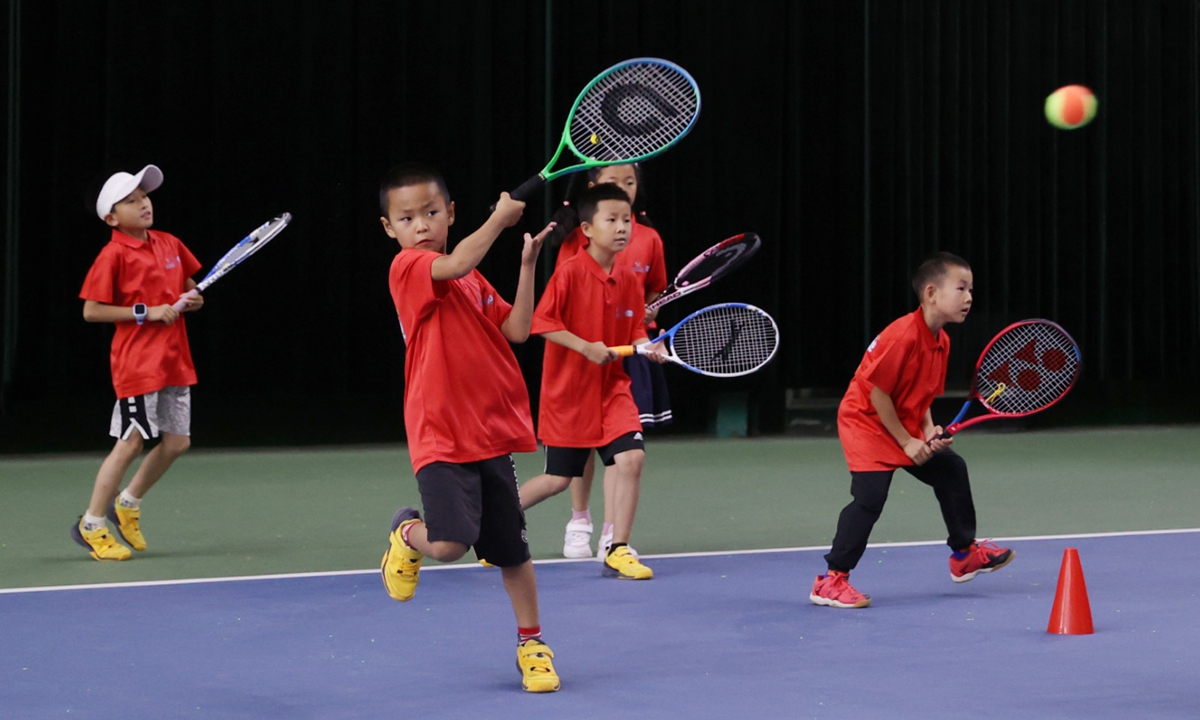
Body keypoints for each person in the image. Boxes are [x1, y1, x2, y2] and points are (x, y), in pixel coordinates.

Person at [377, 162, 560, 692]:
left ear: (451, 213)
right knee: (452, 545)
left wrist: (526, 265)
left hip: (490, 433)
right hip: (439, 433)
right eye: (407, 218)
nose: (421, 225)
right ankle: (406, 533)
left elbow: (518, 329)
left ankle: (533, 644)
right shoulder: (409, 269)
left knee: (513, 552)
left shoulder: (472, 278)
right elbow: (455, 262)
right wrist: (501, 222)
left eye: (431, 213)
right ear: (391, 229)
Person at [810, 252, 1014, 609]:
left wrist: (927, 430)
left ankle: (964, 555)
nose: (969, 297)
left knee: (951, 468)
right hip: (866, 420)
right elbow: (878, 394)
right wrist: (907, 442)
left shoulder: (941, 341)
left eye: (971, 289)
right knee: (870, 498)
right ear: (932, 293)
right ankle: (831, 581)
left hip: (900, 420)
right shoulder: (902, 336)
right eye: (961, 288)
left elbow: (921, 396)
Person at [518, 183, 667, 580]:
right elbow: (542, 323)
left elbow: (635, 328)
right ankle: (494, 523)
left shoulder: (631, 279)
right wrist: (585, 347)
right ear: (586, 229)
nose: (622, 228)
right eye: (612, 220)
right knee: (556, 479)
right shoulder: (568, 273)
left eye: (627, 220)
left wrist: (646, 345)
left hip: (612, 390)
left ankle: (618, 547)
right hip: (568, 394)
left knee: (632, 457)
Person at [73, 165, 204, 561]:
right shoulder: (112, 254)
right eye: (131, 200)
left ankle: (126, 503)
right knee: (130, 443)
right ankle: (92, 523)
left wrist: (193, 297)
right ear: (112, 218)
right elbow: (92, 311)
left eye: (144, 196)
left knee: (177, 442)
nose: (143, 203)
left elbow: (189, 288)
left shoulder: (170, 243)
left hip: (174, 360)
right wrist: (146, 312)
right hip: (137, 364)